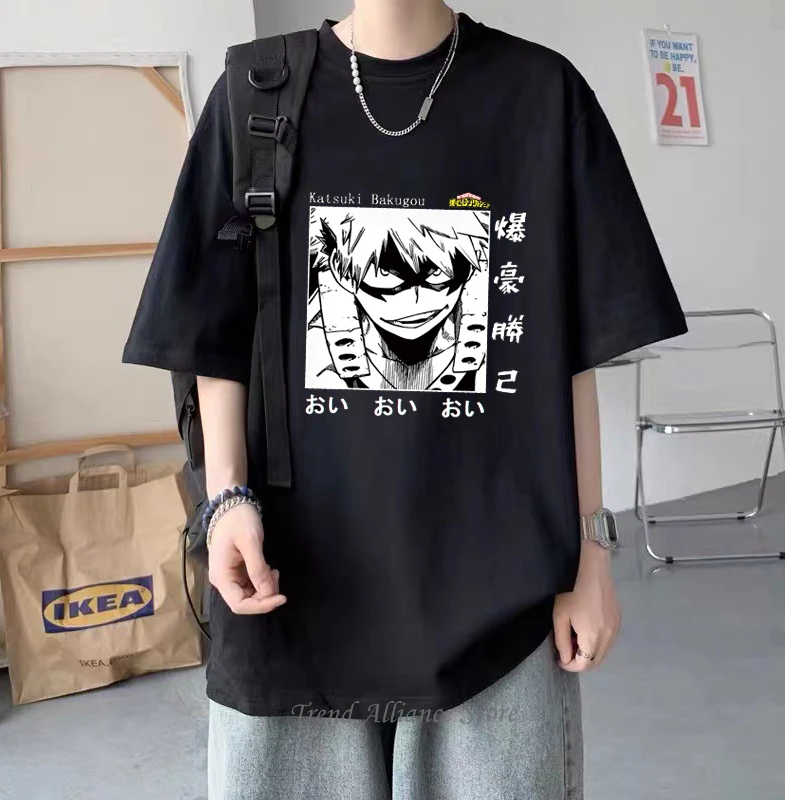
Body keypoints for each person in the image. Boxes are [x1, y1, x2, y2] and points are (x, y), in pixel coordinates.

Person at [122, 2, 687, 798]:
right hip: (292, 596)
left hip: (497, 607)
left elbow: (573, 354)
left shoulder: (542, 95)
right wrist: (226, 502)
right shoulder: (255, 91)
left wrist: (593, 556)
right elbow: (209, 332)